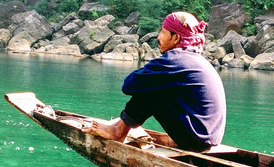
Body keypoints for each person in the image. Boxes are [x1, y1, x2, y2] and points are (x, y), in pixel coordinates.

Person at [90, 11, 226, 151]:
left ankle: (118, 132)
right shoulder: (198, 60)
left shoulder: (175, 59)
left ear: (176, 38)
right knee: (155, 83)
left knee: (152, 87)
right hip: (208, 139)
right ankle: (119, 127)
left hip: (196, 139)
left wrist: (151, 71)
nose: (159, 37)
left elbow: (129, 85)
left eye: (163, 32)